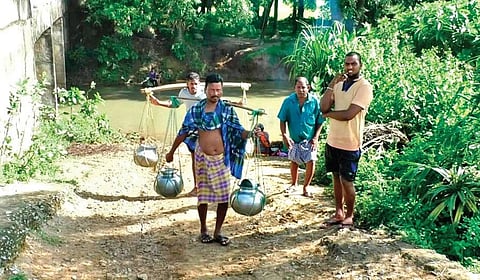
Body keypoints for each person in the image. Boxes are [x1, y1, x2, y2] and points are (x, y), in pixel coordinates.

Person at [165, 73, 251, 246]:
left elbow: (239, 130)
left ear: (222, 90)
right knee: (202, 196)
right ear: (206, 91)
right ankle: (204, 229)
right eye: (212, 90)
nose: (215, 93)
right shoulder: (196, 110)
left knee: (224, 197)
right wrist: (171, 151)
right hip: (202, 158)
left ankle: (218, 231)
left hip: (221, 159)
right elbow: (183, 131)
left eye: (218, 90)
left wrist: (252, 133)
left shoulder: (226, 109)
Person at [320, 51, 374, 228]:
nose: (349, 67)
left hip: (350, 143)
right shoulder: (339, 84)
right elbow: (323, 106)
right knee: (336, 178)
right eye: (347, 64)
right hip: (332, 141)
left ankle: (350, 215)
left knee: (347, 181)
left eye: (353, 64)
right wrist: (331, 84)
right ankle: (338, 212)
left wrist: (328, 115)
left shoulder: (364, 87)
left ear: (360, 65)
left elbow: (349, 114)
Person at [149, 72, 206, 196]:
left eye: (196, 84)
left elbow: (218, 101)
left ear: (199, 84)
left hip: (204, 126)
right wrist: (158, 103)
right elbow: (174, 104)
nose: (194, 87)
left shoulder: (205, 93)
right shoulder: (184, 93)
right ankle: (197, 187)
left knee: (205, 157)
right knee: (194, 157)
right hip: (191, 125)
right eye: (191, 84)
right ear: (187, 85)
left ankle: (206, 186)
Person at [277, 77, 324, 198]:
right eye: (298, 87)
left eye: (303, 87)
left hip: (309, 138)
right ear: (294, 88)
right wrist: (285, 135)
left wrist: (316, 137)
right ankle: (294, 184)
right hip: (293, 139)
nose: (301, 90)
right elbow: (282, 120)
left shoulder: (314, 102)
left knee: (311, 161)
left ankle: (306, 187)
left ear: (308, 88)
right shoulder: (288, 101)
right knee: (293, 161)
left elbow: (320, 121)